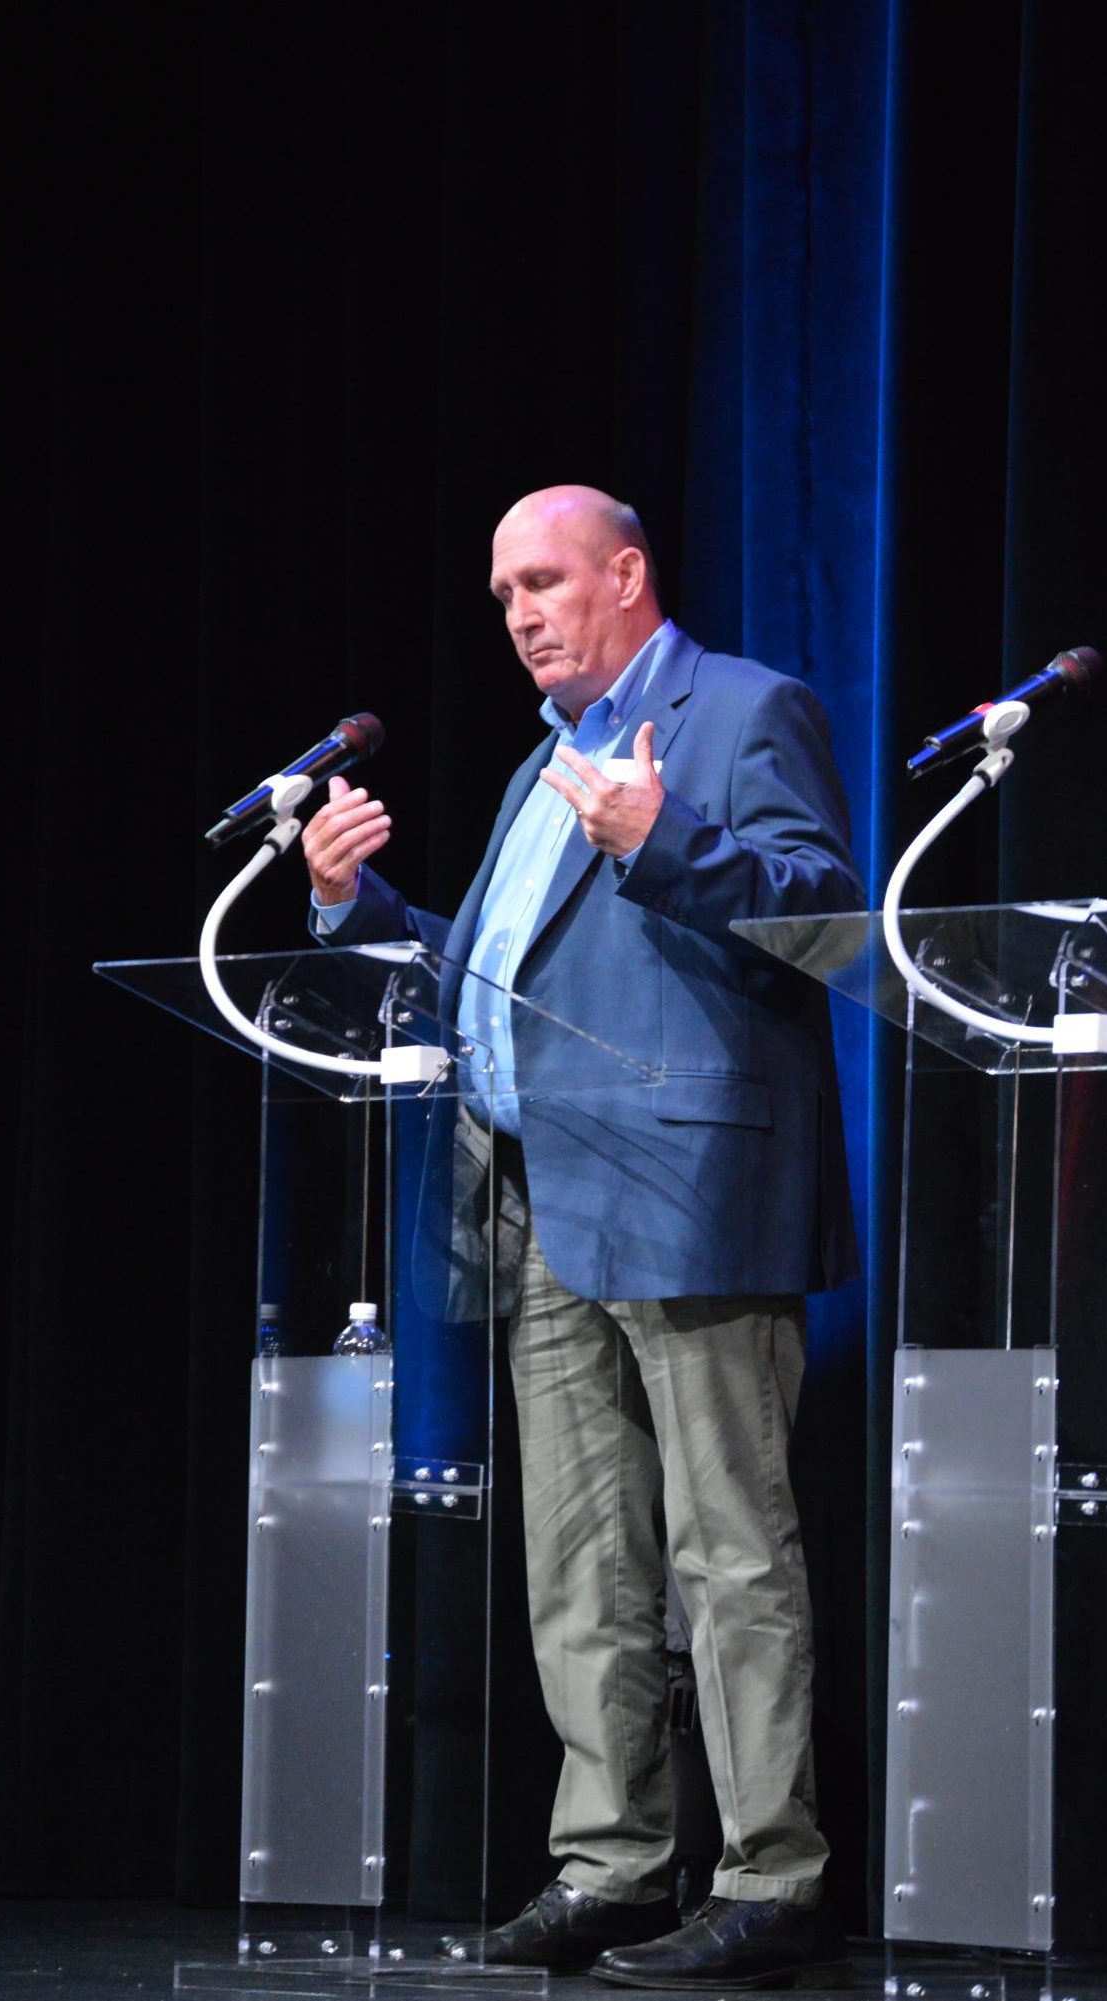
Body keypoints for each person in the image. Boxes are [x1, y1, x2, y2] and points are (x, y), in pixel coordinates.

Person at [302, 485, 863, 1989]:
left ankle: (770, 1874)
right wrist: (357, 905)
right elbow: (484, 971)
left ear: (625, 575)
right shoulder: (540, 766)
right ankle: (611, 1862)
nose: (520, 614)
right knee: (582, 1556)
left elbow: (821, 911)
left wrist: (665, 835)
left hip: (688, 1194)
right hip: (538, 1199)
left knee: (724, 1549)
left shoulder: (743, 710)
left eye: (542, 581)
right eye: (500, 596)